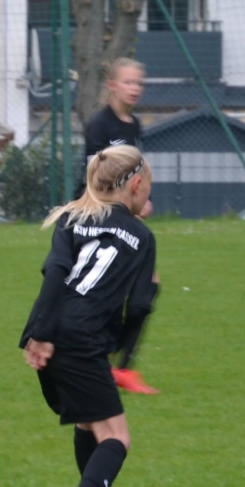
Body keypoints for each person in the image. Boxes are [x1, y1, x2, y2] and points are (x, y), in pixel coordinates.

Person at [21, 145, 160, 487]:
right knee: (117, 436)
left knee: (88, 422)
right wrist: (123, 358)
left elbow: (56, 274)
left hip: (51, 331)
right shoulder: (142, 237)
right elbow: (139, 307)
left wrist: (40, 333)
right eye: (149, 188)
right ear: (135, 185)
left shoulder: (72, 218)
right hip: (83, 340)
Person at [82, 58, 159, 396]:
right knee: (109, 293)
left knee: (146, 293)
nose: (135, 88)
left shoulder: (134, 126)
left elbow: (134, 173)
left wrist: (141, 199)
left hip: (127, 218)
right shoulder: (99, 125)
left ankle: (124, 368)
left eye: (139, 83)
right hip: (99, 219)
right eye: (128, 82)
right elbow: (95, 180)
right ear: (112, 85)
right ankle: (100, 361)